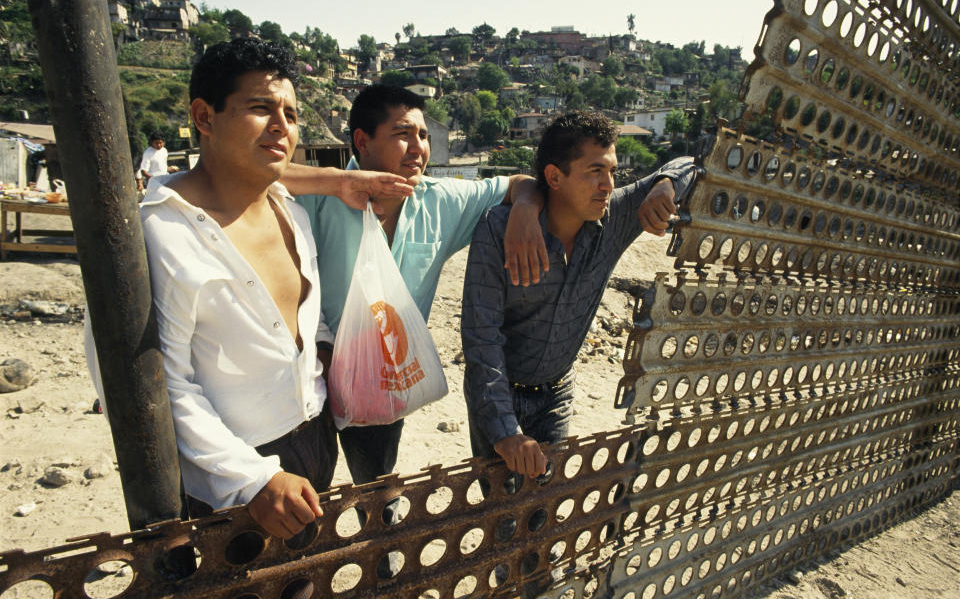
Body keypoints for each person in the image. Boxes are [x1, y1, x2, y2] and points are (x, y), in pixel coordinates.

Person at [86, 38, 413, 543]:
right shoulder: (156, 237)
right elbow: (149, 388)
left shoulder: (291, 213)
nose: (282, 125)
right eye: (261, 108)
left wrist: (326, 356)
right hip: (227, 475)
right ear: (204, 116)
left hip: (312, 441)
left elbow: (307, 316)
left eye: (290, 112)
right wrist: (253, 478)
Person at [291, 84, 546, 528]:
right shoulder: (316, 199)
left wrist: (524, 210)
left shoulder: (437, 201)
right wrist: (338, 182)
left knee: (378, 492)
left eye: (424, 136)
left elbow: (519, 184)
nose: (419, 148)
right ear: (361, 141)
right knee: (305, 499)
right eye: (403, 134)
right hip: (308, 379)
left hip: (382, 382)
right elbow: (248, 175)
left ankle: (384, 563)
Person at [462, 111, 698, 480]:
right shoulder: (499, 230)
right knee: (504, 515)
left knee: (544, 505)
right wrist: (506, 431)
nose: (608, 185)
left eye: (612, 171)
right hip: (498, 393)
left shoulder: (615, 217)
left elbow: (690, 164)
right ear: (554, 177)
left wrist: (666, 183)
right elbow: (481, 338)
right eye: (594, 172)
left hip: (557, 393)